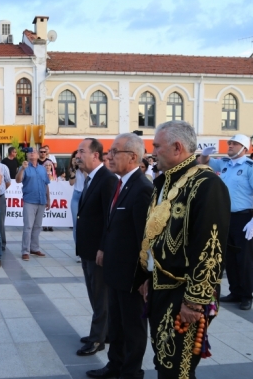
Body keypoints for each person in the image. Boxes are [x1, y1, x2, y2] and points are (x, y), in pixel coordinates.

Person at [138, 121, 230, 379]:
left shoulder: (206, 184)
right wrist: (147, 276)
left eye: (157, 146)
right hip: (160, 286)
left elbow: (210, 248)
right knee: (164, 361)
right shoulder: (163, 182)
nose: (152, 151)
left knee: (177, 368)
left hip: (185, 296)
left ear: (177, 147)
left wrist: (195, 301)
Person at [86, 133, 152, 379]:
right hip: (114, 270)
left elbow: (145, 239)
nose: (109, 156)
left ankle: (131, 372)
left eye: (115, 152)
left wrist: (144, 277)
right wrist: (104, 247)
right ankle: (115, 365)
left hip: (131, 275)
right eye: (109, 152)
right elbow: (112, 222)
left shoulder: (143, 189)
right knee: (116, 324)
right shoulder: (120, 183)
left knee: (133, 328)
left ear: (133, 157)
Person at [199, 134, 253, 311]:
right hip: (225, 216)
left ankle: (246, 295)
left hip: (244, 217)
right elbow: (203, 162)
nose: (230, 146)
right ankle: (235, 291)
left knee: (244, 258)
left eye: (234, 144)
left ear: (244, 149)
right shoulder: (224, 163)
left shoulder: (252, 167)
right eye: (229, 143)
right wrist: (205, 154)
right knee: (228, 257)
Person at [74, 138, 117, 358]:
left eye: (82, 151)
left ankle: (97, 339)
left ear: (96, 155)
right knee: (94, 294)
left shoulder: (107, 179)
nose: (78, 155)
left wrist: (103, 248)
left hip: (98, 252)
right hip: (87, 249)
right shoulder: (90, 178)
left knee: (100, 296)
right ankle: (105, 332)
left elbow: (109, 219)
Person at [16, 147, 50, 261]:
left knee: (37, 226)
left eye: (34, 152)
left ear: (37, 155)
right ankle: (25, 250)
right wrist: (21, 169)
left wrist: (48, 199)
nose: (32, 153)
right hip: (30, 200)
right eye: (30, 152)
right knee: (28, 226)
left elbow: (46, 184)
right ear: (27, 156)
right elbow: (18, 180)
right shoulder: (24, 168)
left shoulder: (42, 169)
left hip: (42, 200)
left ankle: (34, 248)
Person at [68, 150, 86, 244]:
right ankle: (78, 249)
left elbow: (88, 180)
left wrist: (82, 167)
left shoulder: (87, 168)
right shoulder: (73, 169)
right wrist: (74, 169)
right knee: (76, 224)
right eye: (76, 158)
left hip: (86, 195)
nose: (77, 160)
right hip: (76, 195)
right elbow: (71, 183)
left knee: (85, 223)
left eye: (79, 158)